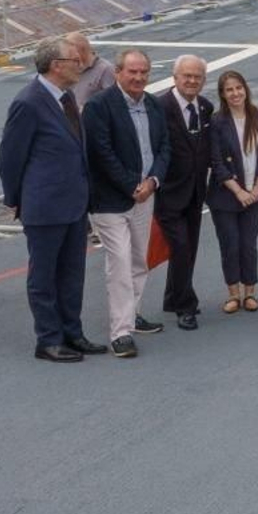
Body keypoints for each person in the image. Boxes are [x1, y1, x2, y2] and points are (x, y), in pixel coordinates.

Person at [0, 39, 104, 362]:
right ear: (56, 65)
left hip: (73, 204)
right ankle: (48, 339)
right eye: (74, 60)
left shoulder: (66, 97)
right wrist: (16, 200)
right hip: (44, 206)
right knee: (43, 276)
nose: (81, 64)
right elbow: (9, 159)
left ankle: (73, 333)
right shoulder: (28, 103)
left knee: (72, 274)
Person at [82, 49, 171, 358]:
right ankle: (120, 333)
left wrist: (153, 181)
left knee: (138, 260)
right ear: (117, 72)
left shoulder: (154, 105)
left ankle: (131, 313)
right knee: (119, 261)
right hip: (110, 200)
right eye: (132, 71)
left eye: (143, 72)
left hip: (146, 195)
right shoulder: (98, 106)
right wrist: (131, 185)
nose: (138, 77)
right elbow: (100, 152)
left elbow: (164, 148)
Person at [208, 69, 258, 316]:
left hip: (254, 194)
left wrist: (257, 186)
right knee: (230, 244)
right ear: (223, 95)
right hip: (225, 196)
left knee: (249, 244)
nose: (235, 93)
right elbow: (217, 162)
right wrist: (238, 191)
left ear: (245, 89)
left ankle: (250, 292)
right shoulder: (217, 122)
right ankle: (233, 294)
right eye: (229, 90)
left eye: (238, 88)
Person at [156, 54, 213, 331]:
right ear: (175, 77)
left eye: (197, 77)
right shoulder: (158, 107)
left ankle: (172, 296)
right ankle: (185, 305)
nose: (192, 81)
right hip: (167, 192)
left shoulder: (205, 106)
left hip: (195, 192)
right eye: (186, 76)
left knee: (189, 246)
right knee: (180, 246)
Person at [66, 31, 116, 108]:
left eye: (71, 53)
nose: (68, 56)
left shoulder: (105, 69)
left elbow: (113, 102)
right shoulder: (72, 67)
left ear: (82, 50)